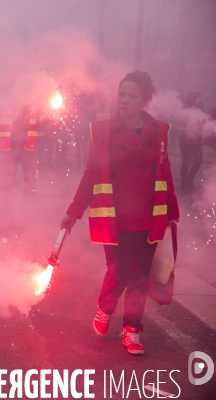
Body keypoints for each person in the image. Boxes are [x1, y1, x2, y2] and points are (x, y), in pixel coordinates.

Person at [60, 70, 179, 355]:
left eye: (131, 96)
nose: (123, 101)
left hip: (149, 217)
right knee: (118, 272)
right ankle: (104, 308)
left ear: (144, 100)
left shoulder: (159, 131)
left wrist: (172, 212)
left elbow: (166, 171)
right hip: (115, 217)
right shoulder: (101, 131)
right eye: (120, 94)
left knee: (139, 276)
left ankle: (132, 330)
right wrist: (73, 211)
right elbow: (90, 174)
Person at [178, 92, 204, 193]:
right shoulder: (184, 111)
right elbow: (181, 124)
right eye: (198, 98)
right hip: (185, 139)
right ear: (193, 99)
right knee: (186, 161)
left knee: (198, 160)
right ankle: (184, 183)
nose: (200, 100)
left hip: (197, 139)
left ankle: (190, 179)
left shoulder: (200, 110)